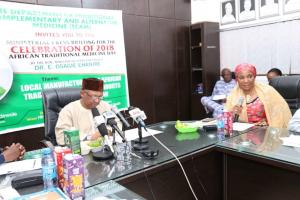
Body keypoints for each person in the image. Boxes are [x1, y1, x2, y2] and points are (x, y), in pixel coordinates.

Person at [225, 63, 291, 128]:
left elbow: (279, 115)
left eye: (250, 76)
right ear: (237, 79)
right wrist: (233, 114)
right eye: (241, 77)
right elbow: (227, 120)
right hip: (242, 134)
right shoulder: (233, 95)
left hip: (265, 132)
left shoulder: (267, 91)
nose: (246, 81)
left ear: (254, 76)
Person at [55, 78, 113, 145]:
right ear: (82, 94)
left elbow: (117, 126)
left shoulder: (105, 106)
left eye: (100, 97)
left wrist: (107, 131)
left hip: (104, 149)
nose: (97, 101)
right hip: (80, 152)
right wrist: (89, 137)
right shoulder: (68, 110)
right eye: (94, 97)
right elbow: (61, 138)